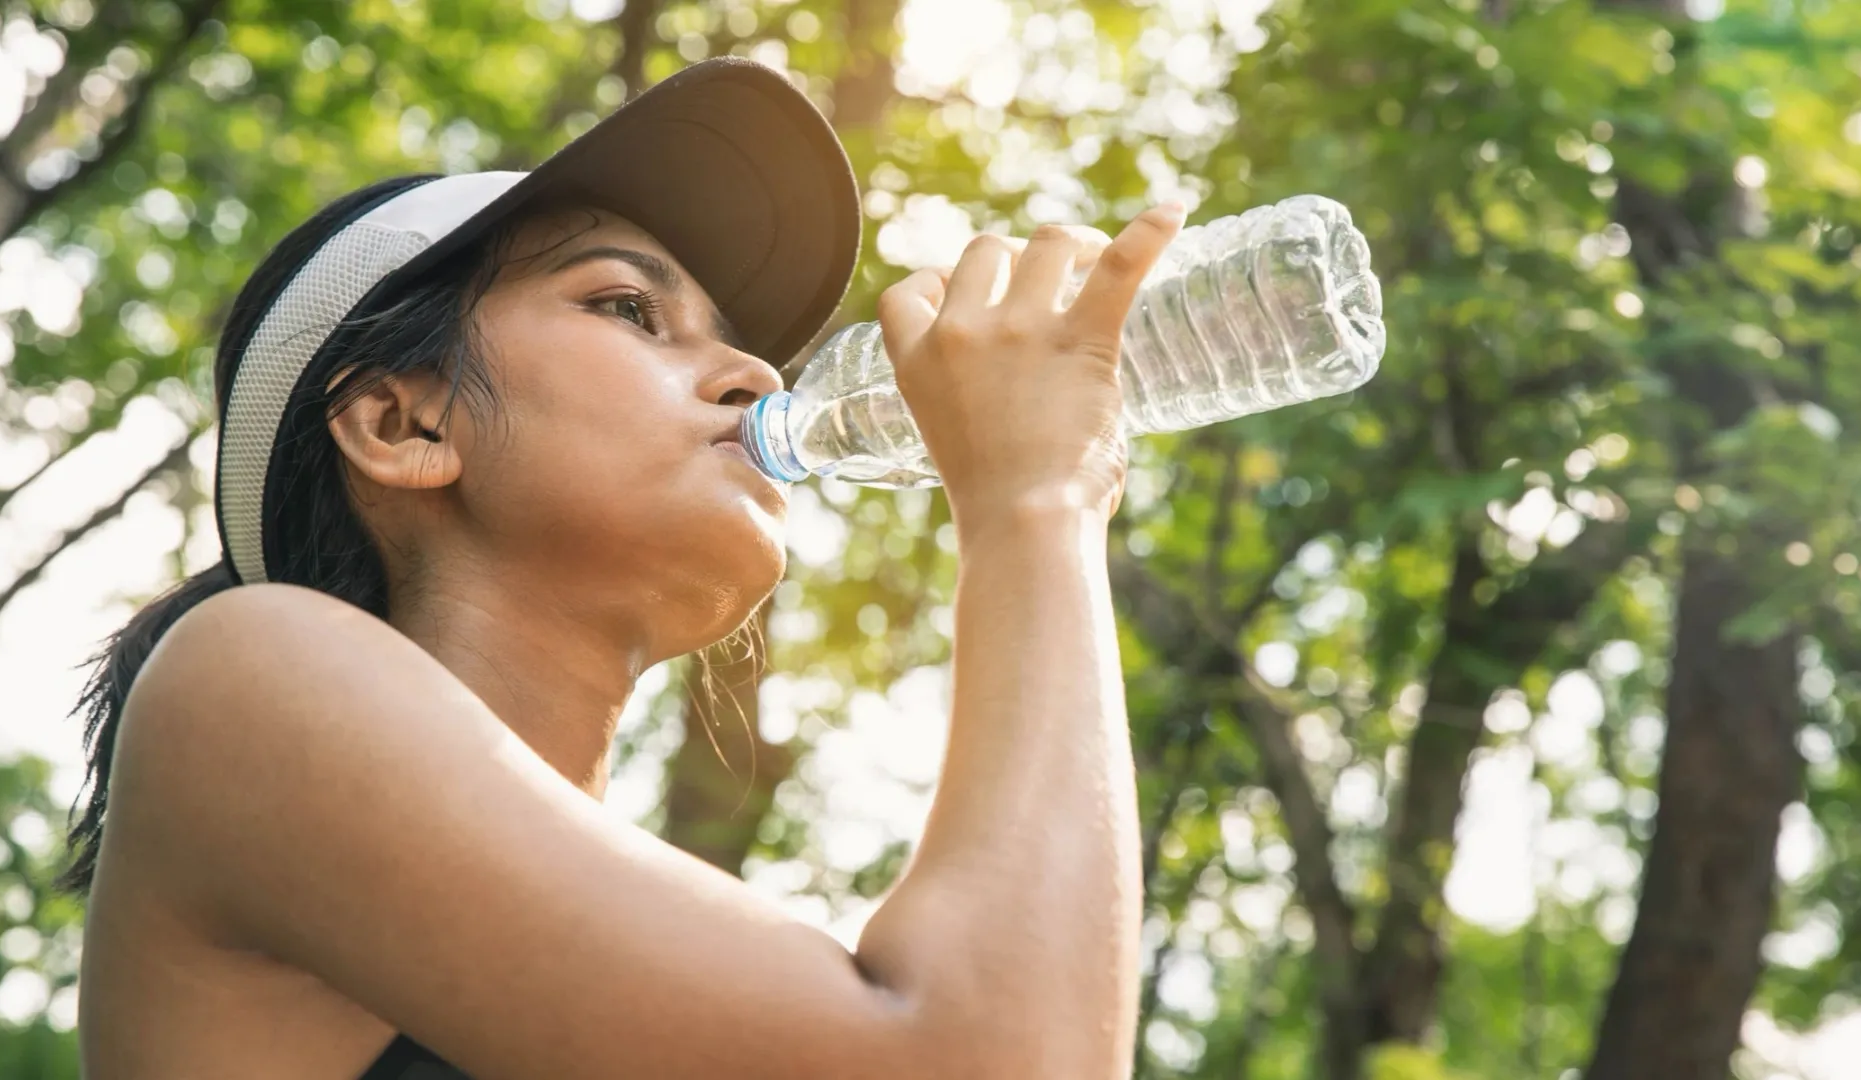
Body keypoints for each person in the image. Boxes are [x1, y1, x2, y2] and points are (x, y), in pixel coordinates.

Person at [64, 56, 1185, 1079]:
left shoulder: (654, 960)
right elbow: (991, 1055)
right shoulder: (244, 677)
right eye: (629, 307)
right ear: (402, 426)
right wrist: (1037, 502)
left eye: (729, 331)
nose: (752, 369)